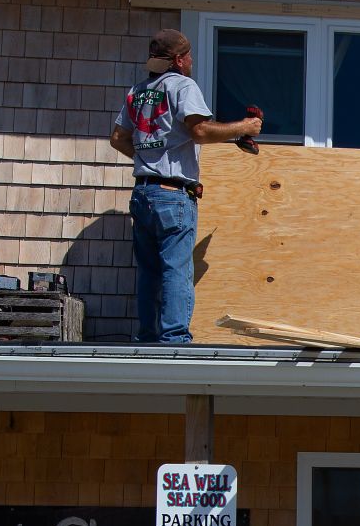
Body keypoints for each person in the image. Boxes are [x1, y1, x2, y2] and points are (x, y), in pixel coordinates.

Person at [109, 29, 262, 344]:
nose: (192, 60)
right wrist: (245, 127)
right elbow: (201, 131)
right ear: (179, 60)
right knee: (176, 269)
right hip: (172, 195)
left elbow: (118, 138)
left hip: (143, 192)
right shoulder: (182, 85)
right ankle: (175, 339)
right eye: (189, 54)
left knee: (150, 271)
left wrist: (149, 157)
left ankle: (149, 337)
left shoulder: (137, 91)